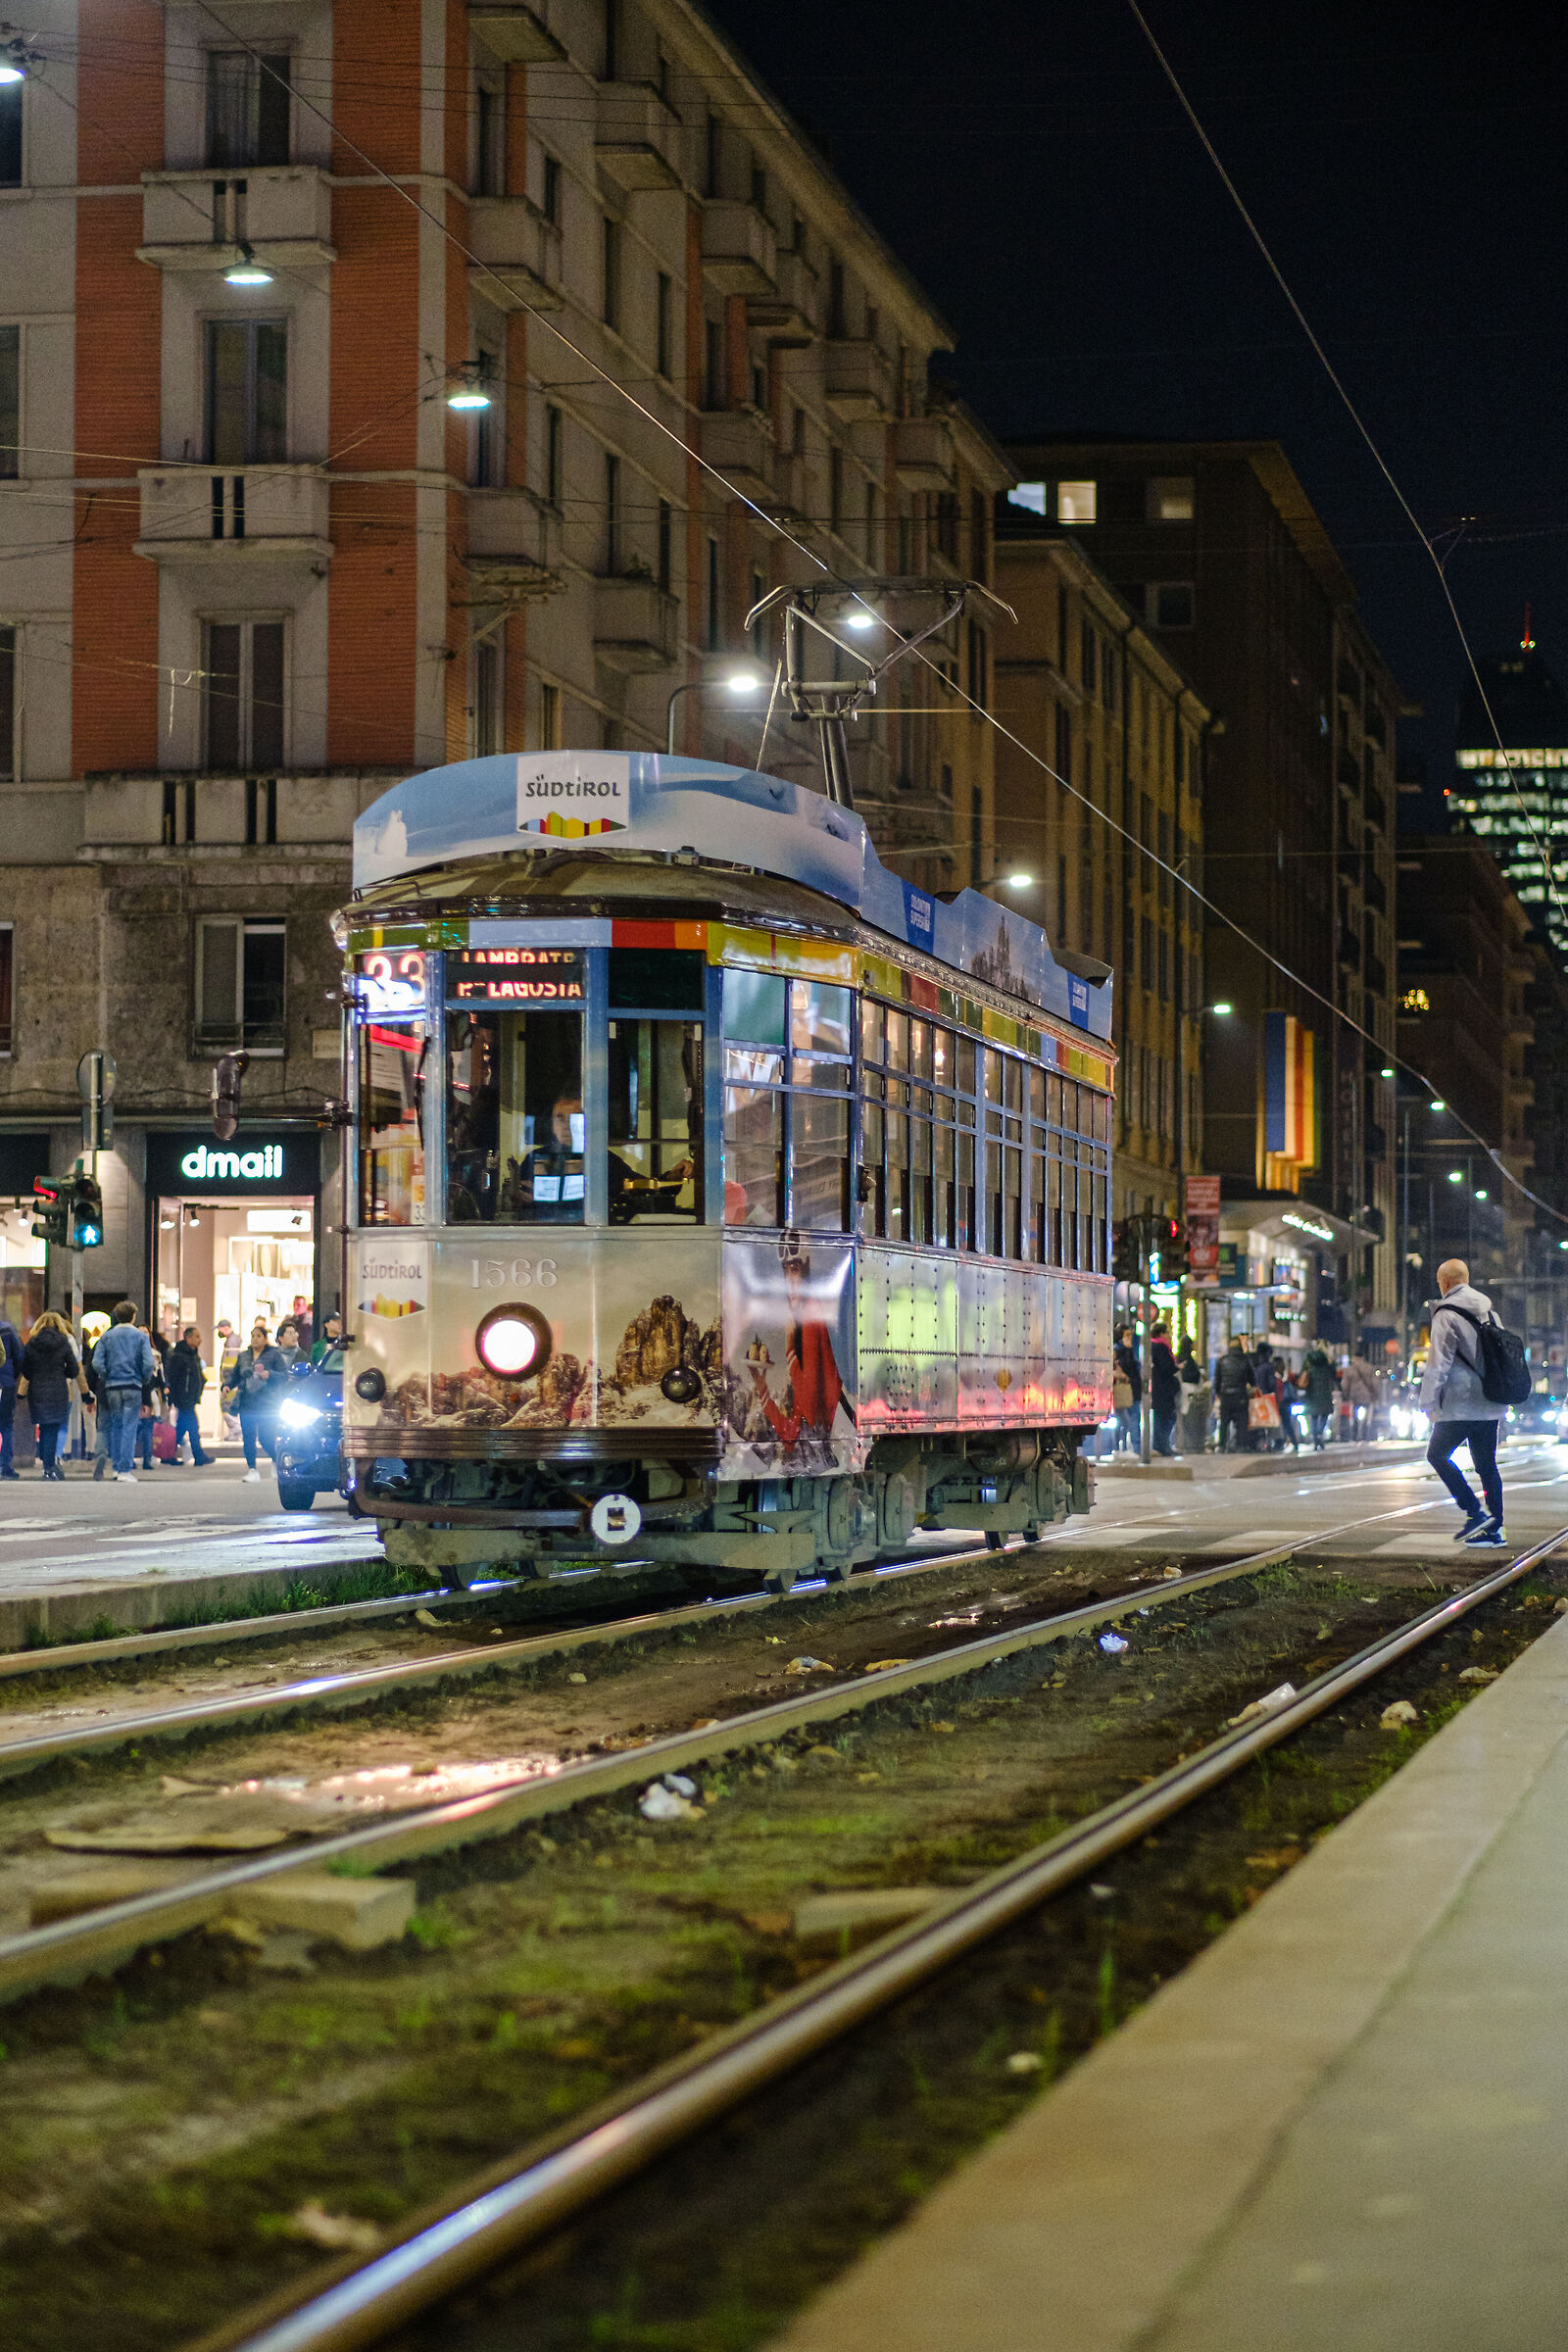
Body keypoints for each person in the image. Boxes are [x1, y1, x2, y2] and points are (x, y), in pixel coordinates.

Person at [1419, 1257, 1508, 1544]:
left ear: (1445, 1283)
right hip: (1491, 1401)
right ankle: (1495, 1530)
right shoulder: (1490, 1313)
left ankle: (1474, 1511)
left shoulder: (1446, 1314)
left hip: (1459, 1404)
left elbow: (1438, 1363)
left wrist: (1428, 1402)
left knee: (1436, 1455)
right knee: (1486, 1465)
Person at [18, 1311, 91, 1480]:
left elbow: (26, 1370)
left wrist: (22, 1392)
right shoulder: (63, 1342)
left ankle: (46, 1465)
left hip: (37, 1390)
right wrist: (61, 1371)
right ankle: (49, 1467)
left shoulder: (32, 1343)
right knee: (53, 1428)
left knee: (43, 1428)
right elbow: (74, 1370)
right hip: (58, 1389)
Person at [92, 1302, 156, 1483]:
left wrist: (106, 1374)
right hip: (132, 1384)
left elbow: (97, 1363)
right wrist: (143, 1379)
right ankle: (124, 1469)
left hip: (112, 1385)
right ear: (133, 1317)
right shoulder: (140, 1337)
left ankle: (115, 1467)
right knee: (130, 1426)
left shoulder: (107, 1337)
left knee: (116, 1425)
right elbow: (149, 1363)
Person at [226, 1318, 287, 1482]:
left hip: (267, 1403)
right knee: (248, 1437)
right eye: (253, 1336)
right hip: (247, 1403)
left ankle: (276, 1461)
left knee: (266, 1437)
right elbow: (235, 1376)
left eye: (259, 1336)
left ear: (265, 1338)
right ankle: (252, 1469)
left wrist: (270, 1375)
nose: (255, 1339)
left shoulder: (274, 1355)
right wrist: (226, 1386)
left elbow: (284, 1375)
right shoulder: (244, 1356)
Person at [166, 1326, 213, 1466]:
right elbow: (174, 1378)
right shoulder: (180, 1356)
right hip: (184, 1398)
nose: (200, 1340)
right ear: (188, 1338)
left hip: (189, 1398)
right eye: (197, 1336)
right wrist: (174, 1397)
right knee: (192, 1427)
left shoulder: (193, 1355)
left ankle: (169, 1453)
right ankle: (198, 1455)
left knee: (182, 1427)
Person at [132, 1319, 167, 1470]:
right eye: (140, 1332)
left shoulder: (155, 1354)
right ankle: (131, 1459)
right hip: (134, 1393)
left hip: (150, 1394)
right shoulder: (132, 1353)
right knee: (134, 1429)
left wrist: (164, 1392)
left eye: (145, 1332)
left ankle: (147, 1458)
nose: (143, 1335)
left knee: (146, 1429)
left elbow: (160, 1377)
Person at [1214, 1336, 1255, 1452]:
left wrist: (1218, 1393)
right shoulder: (1245, 1360)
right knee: (1242, 1422)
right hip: (1241, 1395)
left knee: (1224, 1422)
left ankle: (1222, 1446)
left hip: (1226, 1395)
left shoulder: (1222, 1360)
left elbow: (1217, 1380)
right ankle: (1241, 1446)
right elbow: (1252, 1379)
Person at [1150, 1321, 1180, 1456]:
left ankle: (1161, 1445)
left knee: (1163, 1417)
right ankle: (1162, 1446)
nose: (1169, 1335)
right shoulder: (1160, 1347)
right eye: (1167, 1332)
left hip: (1160, 1388)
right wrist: (1176, 1367)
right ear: (1162, 1334)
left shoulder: (1154, 1346)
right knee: (1166, 1417)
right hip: (1163, 1389)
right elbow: (1166, 1367)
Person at [1300, 1342, 1338, 1450]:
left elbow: (1301, 1375)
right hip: (1325, 1394)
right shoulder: (1327, 1366)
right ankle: (1319, 1433)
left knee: (1313, 1416)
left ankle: (1315, 1435)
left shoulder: (1309, 1365)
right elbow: (1334, 1375)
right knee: (1324, 1415)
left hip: (1311, 1395)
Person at [0, 1305, 22, 1479]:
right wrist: (11, 1378)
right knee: (6, 1425)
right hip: (4, 1384)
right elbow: (18, 1357)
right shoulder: (7, 1329)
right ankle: (4, 1466)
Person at [1113, 1324, 1142, 1450]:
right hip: (1125, 1389)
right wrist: (1128, 1349)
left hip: (1132, 1389)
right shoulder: (1120, 1349)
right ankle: (1131, 1448)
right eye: (1127, 1335)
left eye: (1131, 1334)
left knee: (1130, 1420)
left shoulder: (1130, 1348)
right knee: (1130, 1420)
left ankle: (1127, 1447)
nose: (1130, 1337)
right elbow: (1128, 1366)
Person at [1343, 1354, 1381, 1442]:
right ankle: (1364, 1433)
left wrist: (1346, 1394)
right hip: (1367, 1396)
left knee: (1355, 1415)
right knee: (1366, 1416)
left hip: (1354, 1396)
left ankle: (1355, 1434)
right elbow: (1375, 1382)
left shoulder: (1349, 1369)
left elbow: (1345, 1384)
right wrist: (1375, 1393)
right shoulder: (1369, 1367)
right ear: (1362, 1358)